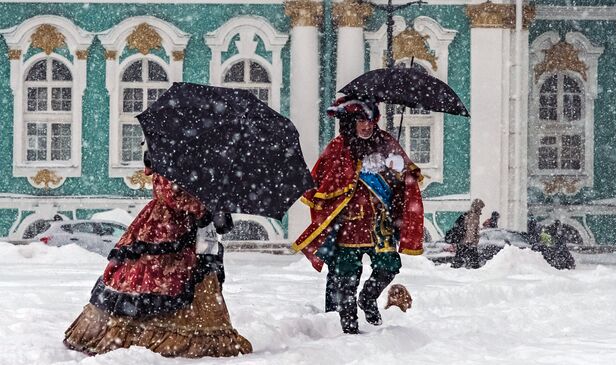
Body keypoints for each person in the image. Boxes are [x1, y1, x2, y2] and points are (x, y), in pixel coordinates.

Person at [63, 151, 251, 358]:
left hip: (191, 232)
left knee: (196, 277)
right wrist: (203, 206)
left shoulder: (198, 161)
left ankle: (194, 334)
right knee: (157, 277)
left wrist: (213, 201)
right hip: (166, 227)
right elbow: (170, 192)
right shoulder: (167, 154)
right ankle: (149, 334)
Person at [292, 96, 424, 334]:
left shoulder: (386, 143)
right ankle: (348, 329)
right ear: (351, 122)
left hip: (380, 223)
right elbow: (325, 182)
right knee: (346, 278)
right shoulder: (339, 147)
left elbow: (407, 179)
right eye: (362, 120)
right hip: (349, 224)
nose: (367, 126)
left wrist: (397, 171)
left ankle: (368, 297)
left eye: (371, 120)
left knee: (389, 266)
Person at [451, 198, 485, 269]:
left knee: (460, 257)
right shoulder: (473, 215)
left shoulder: (470, 214)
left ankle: (455, 268)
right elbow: (471, 229)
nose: (481, 209)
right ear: (477, 207)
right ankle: (475, 269)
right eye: (481, 207)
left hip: (463, 241)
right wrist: (470, 241)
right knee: (473, 259)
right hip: (467, 241)